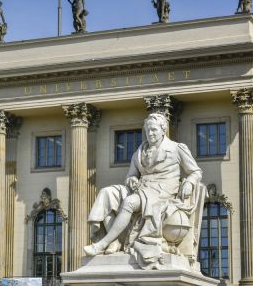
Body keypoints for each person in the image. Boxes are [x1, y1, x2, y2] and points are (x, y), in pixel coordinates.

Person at [84, 113, 202, 269]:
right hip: (141, 189)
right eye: (148, 130)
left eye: (154, 130)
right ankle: (115, 240)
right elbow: (131, 176)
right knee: (107, 193)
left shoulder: (176, 148)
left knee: (130, 202)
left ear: (163, 130)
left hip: (161, 193)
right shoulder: (139, 151)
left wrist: (190, 182)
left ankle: (102, 244)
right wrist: (131, 180)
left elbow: (196, 172)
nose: (150, 133)